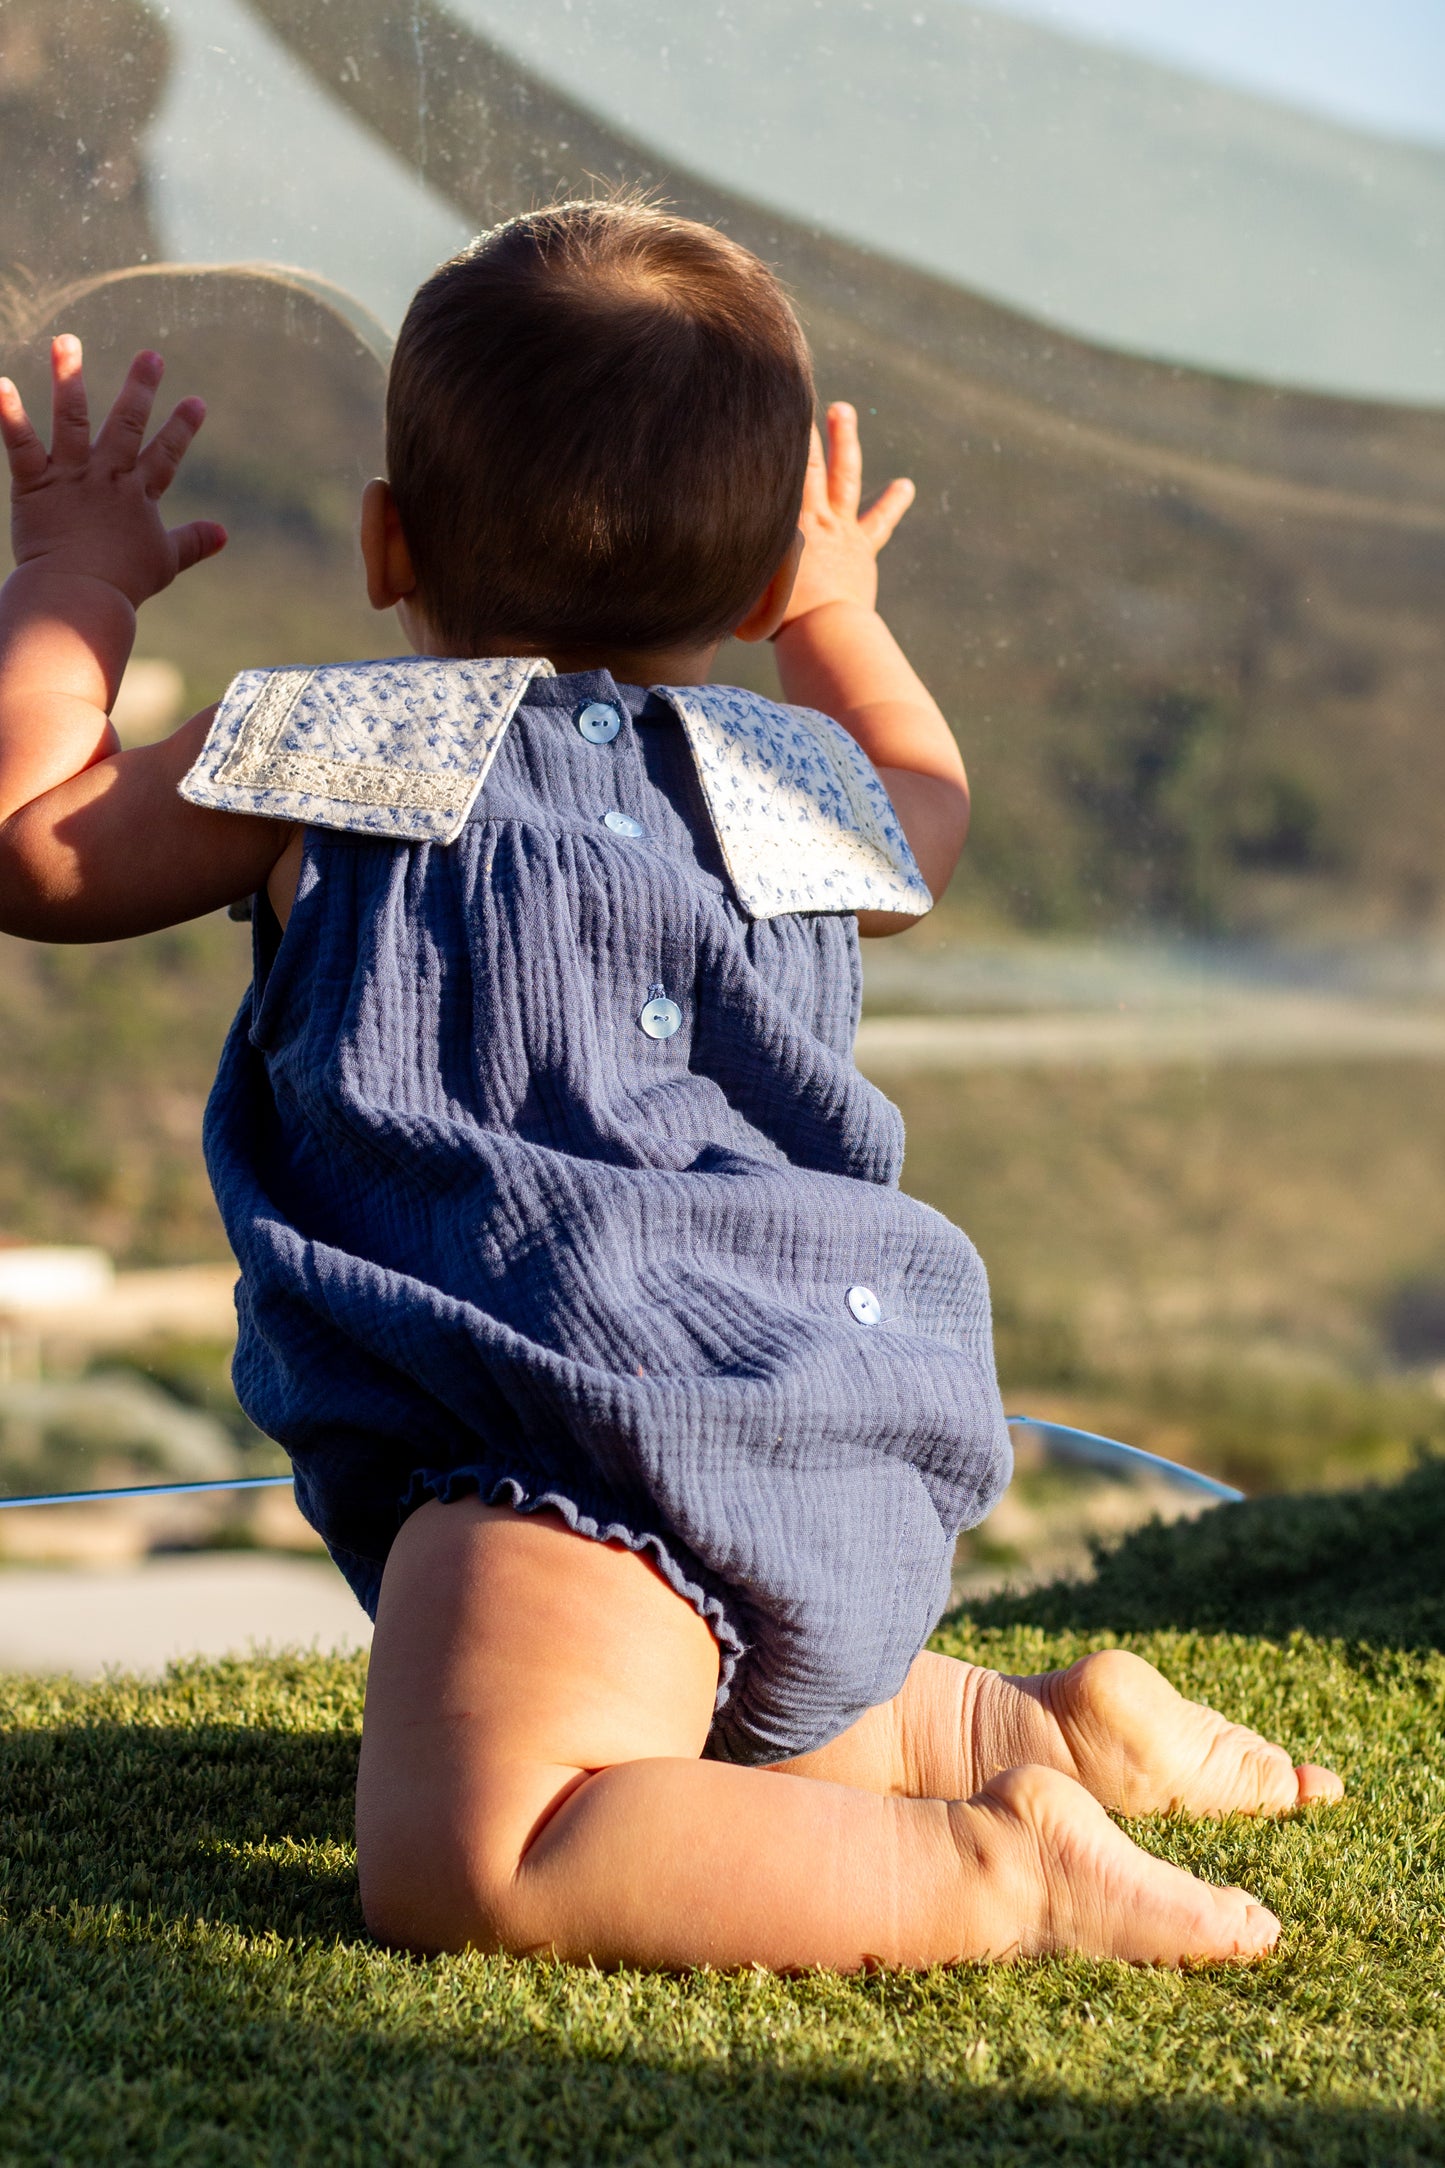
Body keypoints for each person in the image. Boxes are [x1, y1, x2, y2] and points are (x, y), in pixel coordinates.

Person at [0, 201, 1340, 1973]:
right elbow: (926, 807)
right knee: (699, 1718)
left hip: (570, 1421)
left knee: (479, 1851)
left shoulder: (351, 743)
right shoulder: (792, 776)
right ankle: (1015, 1728)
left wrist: (75, 576)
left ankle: (990, 1874)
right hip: (847, 1401)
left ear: (388, 545)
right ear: (745, 583)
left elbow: (40, 847)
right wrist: (836, 612)